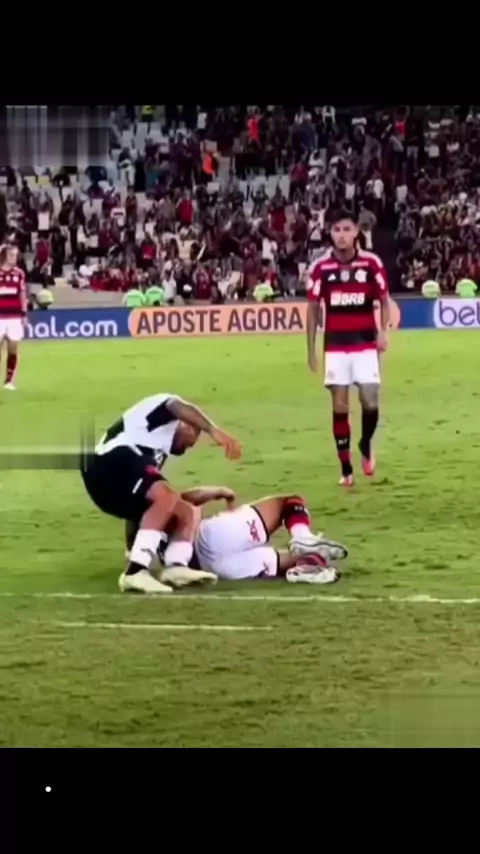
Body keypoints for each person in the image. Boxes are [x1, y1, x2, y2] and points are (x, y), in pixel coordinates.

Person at [81, 394, 243, 594]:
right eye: (190, 442)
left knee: (185, 509)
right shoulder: (164, 412)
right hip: (107, 463)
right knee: (166, 497)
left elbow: (146, 505)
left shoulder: (155, 448)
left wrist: (131, 548)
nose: (186, 449)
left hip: (108, 488)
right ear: (187, 425)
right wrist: (213, 431)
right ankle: (135, 572)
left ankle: (176, 566)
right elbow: (175, 405)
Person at [306, 210, 390, 486]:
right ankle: (346, 469)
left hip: (365, 344)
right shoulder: (321, 268)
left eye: (346, 229)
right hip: (336, 347)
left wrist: (383, 332)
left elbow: (384, 300)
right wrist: (311, 350)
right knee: (340, 406)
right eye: (336, 230)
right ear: (330, 233)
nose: (341, 235)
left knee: (370, 400)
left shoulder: (371, 263)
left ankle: (366, 444)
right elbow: (313, 309)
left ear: (356, 232)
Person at [154, 489, 348, 585]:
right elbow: (182, 500)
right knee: (289, 503)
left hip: (214, 570)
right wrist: (218, 491)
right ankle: (302, 536)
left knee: (308, 557)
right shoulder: (152, 496)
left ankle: (302, 570)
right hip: (211, 539)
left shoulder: (146, 533)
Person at [0, 244, 27, 390]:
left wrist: (24, 313)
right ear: (4, 256)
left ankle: (9, 381)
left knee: (13, 349)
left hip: (14, 317)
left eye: (16, 255)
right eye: (12, 255)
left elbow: (22, 294)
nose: (14, 258)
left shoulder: (19, 273)